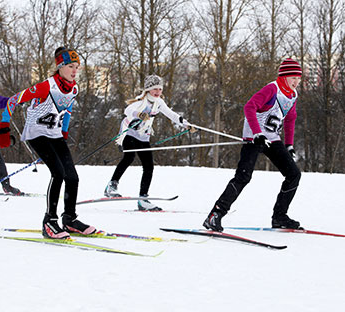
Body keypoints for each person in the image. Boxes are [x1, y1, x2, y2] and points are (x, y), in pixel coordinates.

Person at [0, 47, 96, 239]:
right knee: (58, 173)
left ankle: (70, 219)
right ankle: (49, 221)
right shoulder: (45, 86)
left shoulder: (74, 88)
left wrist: (64, 133)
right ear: (59, 67)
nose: (74, 71)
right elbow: (12, 101)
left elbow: (67, 111)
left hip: (55, 134)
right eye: (70, 66)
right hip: (36, 134)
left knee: (72, 177)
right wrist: (4, 128)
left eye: (77, 67)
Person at [203, 58, 303, 231]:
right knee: (243, 176)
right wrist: (257, 133)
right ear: (284, 76)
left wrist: (289, 145)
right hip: (254, 137)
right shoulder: (272, 89)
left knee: (293, 174)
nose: (296, 82)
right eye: (293, 78)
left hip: (271, 138)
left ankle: (280, 217)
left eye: (298, 79)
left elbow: (290, 119)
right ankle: (215, 214)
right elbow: (249, 107)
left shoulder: (292, 95)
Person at [104, 74, 194, 211]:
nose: (157, 92)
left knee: (149, 166)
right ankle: (112, 185)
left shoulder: (159, 103)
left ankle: (143, 199)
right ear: (148, 90)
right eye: (155, 89)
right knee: (129, 157)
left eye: (160, 89)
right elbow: (127, 110)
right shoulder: (141, 101)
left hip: (143, 136)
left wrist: (186, 124)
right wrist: (139, 114)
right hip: (129, 133)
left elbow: (172, 115)